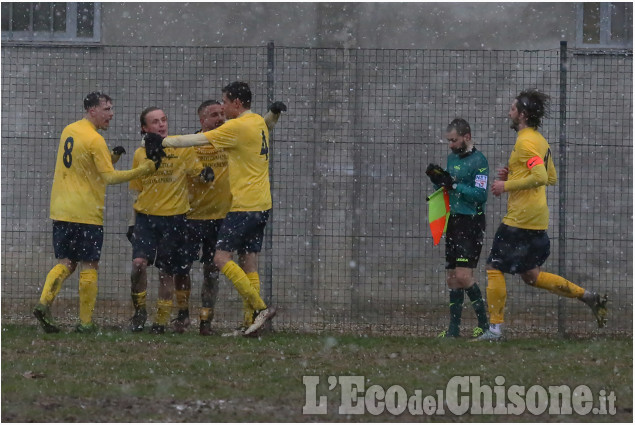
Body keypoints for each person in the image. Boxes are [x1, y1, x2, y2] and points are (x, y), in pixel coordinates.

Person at [475, 89, 608, 341]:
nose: (509, 113)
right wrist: (513, 174)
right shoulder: (539, 140)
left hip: (520, 219)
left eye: (513, 109)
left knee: (493, 267)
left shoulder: (525, 142)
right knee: (532, 276)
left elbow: (540, 177)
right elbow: (552, 177)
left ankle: (494, 330)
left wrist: (506, 185)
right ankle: (589, 297)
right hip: (536, 219)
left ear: (522, 115)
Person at [33, 92, 158, 333]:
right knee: (89, 265)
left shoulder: (69, 130)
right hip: (86, 212)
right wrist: (144, 169)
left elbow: (86, 167)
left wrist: (113, 157)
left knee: (66, 263)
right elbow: (108, 177)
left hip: (61, 209)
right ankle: (86, 322)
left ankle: (43, 303)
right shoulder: (95, 139)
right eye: (107, 109)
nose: (111, 114)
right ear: (93, 111)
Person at [162, 81, 279, 337]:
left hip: (242, 206)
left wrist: (161, 142)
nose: (223, 109)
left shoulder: (235, 127)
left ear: (237, 103)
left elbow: (197, 138)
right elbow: (268, 124)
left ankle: (260, 309)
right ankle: (252, 323)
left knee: (220, 259)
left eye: (225, 103)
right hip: (262, 204)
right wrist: (274, 115)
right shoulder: (257, 120)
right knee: (249, 263)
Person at [128, 106, 213, 334]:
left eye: (164, 120)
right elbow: (136, 191)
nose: (161, 125)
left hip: (175, 219)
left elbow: (199, 173)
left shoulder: (181, 148)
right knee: (138, 265)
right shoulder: (140, 153)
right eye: (155, 122)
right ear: (144, 128)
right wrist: (131, 222)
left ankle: (161, 322)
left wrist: (207, 173)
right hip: (146, 219)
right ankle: (139, 312)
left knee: (167, 271)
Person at [426, 118, 490, 338]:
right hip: (452, 221)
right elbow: (447, 186)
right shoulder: (452, 158)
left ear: (467, 137)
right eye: (449, 141)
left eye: (454, 140)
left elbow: (480, 195)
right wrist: (438, 180)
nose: (450, 145)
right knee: (452, 277)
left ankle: (485, 324)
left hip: (471, 222)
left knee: (464, 276)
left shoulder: (480, 161)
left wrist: (453, 184)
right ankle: (453, 331)